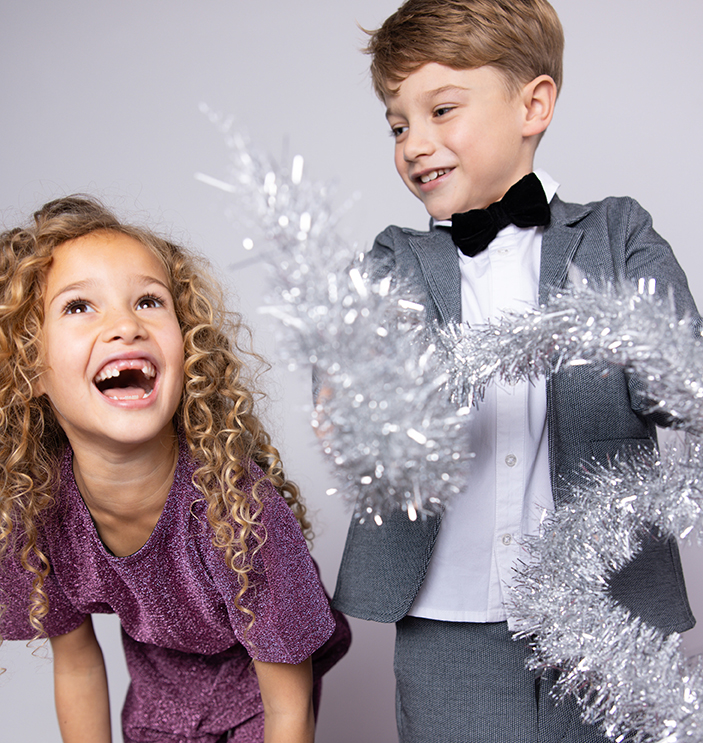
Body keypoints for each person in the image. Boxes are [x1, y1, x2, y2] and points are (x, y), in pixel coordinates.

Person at [331, 1, 700, 741]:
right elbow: (359, 376)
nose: (414, 144)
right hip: (447, 617)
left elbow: (680, 380)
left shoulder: (618, 233)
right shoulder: (395, 258)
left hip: (605, 608)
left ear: (533, 106)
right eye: (398, 125)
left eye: (441, 110)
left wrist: (631, 345)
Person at [0, 195, 350, 743]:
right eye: (79, 306)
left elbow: (289, 708)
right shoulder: (39, 510)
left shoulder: (239, 510)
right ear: (29, 369)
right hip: (161, 694)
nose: (125, 326)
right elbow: (77, 666)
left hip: (259, 696)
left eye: (148, 301)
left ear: (189, 349)